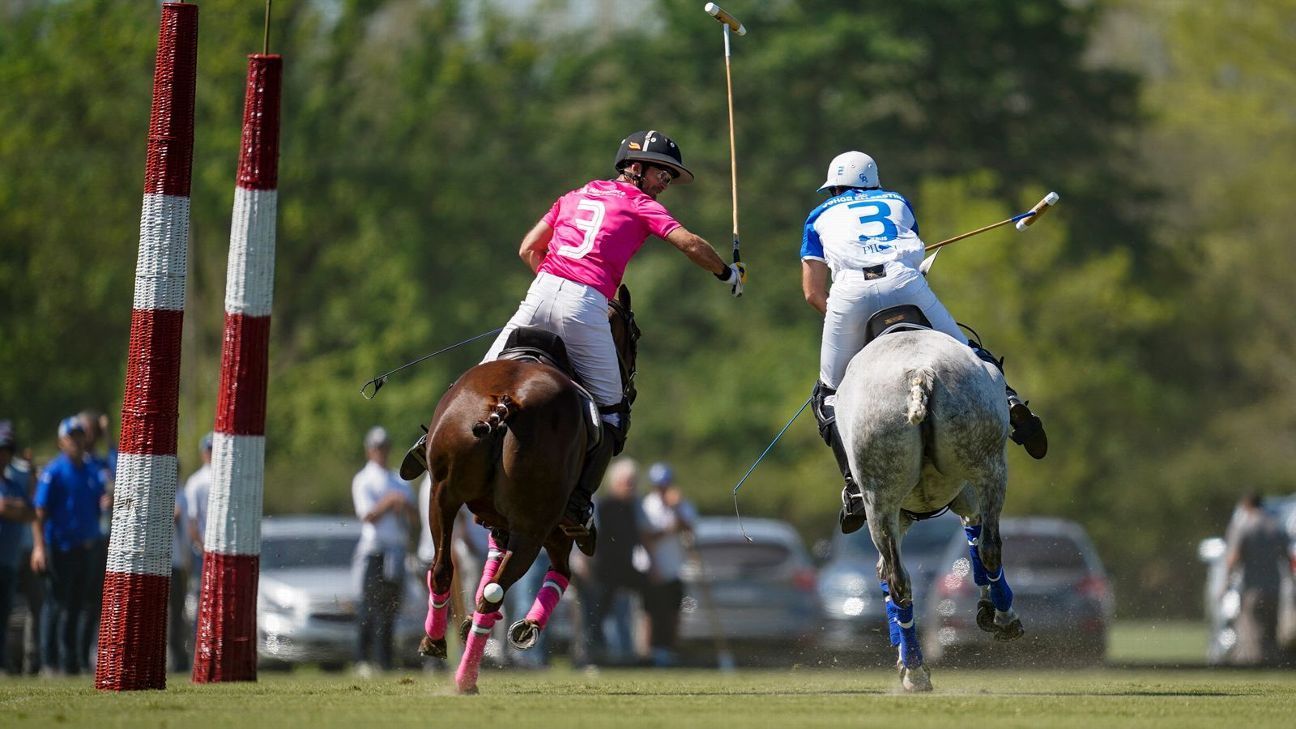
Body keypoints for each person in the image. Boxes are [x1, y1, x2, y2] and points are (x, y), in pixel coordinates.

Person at [402, 130, 746, 556]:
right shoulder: (641, 205)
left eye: (671, 178)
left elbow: (529, 247)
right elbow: (690, 244)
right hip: (585, 305)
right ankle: (579, 503)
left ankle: (427, 442)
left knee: (473, 382)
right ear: (634, 168)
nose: (666, 183)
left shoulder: (574, 195)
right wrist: (728, 273)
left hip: (541, 289)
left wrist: (554, 285)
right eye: (662, 173)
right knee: (614, 412)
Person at [800, 151, 1049, 534]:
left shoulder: (817, 216)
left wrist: (851, 329)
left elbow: (813, 292)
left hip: (851, 294)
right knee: (970, 354)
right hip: (905, 282)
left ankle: (853, 485)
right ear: (872, 183)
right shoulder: (897, 201)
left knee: (829, 394)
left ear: (834, 187)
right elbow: (911, 254)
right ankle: (1013, 404)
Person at [31, 416, 107, 675]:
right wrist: (39, 548)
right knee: (55, 604)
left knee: (77, 605)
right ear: (61, 441)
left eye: (79, 436)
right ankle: (49, 662)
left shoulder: (90, 470)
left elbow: (101, 499)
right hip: (59, 547)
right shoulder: (54, 472)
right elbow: (39, 513)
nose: (76, 441)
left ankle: (71, 662)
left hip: (86, 548)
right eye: (71, 437)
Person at [351, 426, 416, 675]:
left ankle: (385, 660)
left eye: (385, 447)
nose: (382, 452)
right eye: (378, 448)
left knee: (389, 608)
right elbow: (368, 515)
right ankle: (362, 659)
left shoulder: (397, 480)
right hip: (374, 551)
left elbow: (413, 519)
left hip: (396, 551)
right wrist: (390, 502)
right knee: (370, 605)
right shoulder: (363, 479)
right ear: (370, 451)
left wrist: (403, 504)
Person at [578, 457, 647, 666]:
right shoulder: (603, 505)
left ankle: (629, 654)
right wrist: (584, 563)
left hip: (623, 569)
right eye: (628, 482)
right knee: (595, 615)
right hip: (600, 569)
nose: (631, 486)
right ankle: (590, 657)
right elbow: (588, 536)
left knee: (626, 612)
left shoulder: (634, 508)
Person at [639, 462, 695, 668]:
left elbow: (689, 529)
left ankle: (671, 651)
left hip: (675, 567)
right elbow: (646, 536)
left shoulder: (681, 504)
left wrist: (677, 510)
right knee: (651, 612)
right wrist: (668, 529)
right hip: (651, 566)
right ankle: (648, 653)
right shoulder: (647, 505)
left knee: (674, 611)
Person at [1223, 491, 1290, 666]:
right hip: (1274, 587)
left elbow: (1234, 557)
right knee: (1271, 631)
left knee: (1251, 631)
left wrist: (1226, 582)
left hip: (1252, 587)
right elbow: (1287, 556)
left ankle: (1255, 666)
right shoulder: (1276, 526)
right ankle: (1272, 665)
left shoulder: (1244, 526)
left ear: (1246, 505)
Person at [0, 421, 36, 674]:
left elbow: (30, 512)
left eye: (7, 450)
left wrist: (12, 508)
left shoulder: (12, 484)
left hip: (9, 559)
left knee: (5, 614)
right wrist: (12, 508)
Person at [183, 433, 212, 601]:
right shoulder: (196, 481)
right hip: (203, 548)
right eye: (209, 449)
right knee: (202, 595)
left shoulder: (224, 477)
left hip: (216, 548)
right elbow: (191, 520)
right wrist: (201, 547)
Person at [168, 470, 192, 673]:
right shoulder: (158, 494)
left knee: (178, 614)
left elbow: (186, 533)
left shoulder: (182, 495)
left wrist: (187, 561)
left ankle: (179, 659)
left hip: (177, 564)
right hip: (160, 563)